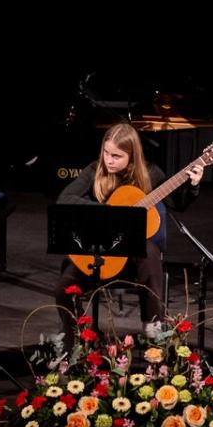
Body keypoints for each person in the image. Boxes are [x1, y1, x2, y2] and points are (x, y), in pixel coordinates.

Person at [54, 123, 203, 339]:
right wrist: (110, 212)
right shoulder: (94, 170)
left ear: (132, 156)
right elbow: (64, 199)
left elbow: (177, 203)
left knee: (149, 250)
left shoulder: (151, 174)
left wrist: (193, 186)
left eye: (116, 156)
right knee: (62, 288)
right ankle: (79, 335)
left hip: (133, 262)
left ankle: (152, 326)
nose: (109, 160)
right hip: (99, 255)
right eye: (106, 152)